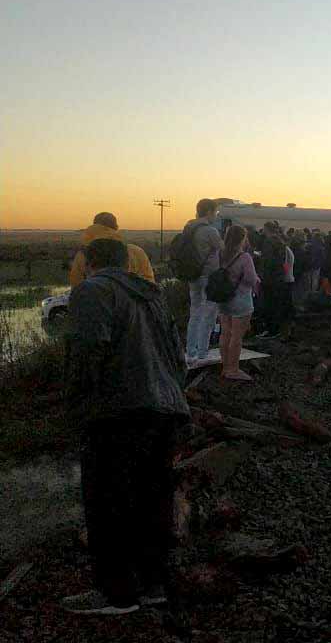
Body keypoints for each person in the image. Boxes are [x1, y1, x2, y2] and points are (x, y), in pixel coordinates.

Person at [61, 238, 189, 616]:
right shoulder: (151, 294)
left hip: (118, 414)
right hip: (163, 410)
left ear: (88, 263)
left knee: (108, 503)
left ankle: (116, 593)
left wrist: (77, 404)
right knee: (153, 500)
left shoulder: (91, 291)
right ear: (126, 262)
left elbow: (88, 352)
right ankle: (153, 585)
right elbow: (176, 356)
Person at [182, 199, 224, 364]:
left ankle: (190, 349)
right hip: (208, 277)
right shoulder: (209, 231)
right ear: (208, 212)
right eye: (215, 212)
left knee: (195, 313)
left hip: (192, 275)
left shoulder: (188, 228)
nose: (215, 215)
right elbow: (223, 249)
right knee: (209, 315)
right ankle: (202, 352)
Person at [216, 225, 260, 381]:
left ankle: (225, 366)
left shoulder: (220, 254)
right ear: (242, 239)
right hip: (241, 300)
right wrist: (257, 280)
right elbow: (251, 279)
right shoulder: (244, 257)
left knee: (225, 333)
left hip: (223, 300)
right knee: (237, 336)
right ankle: (233, 369)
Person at [68, 212, 155, 286]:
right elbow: (149, 283)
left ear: (93, 227)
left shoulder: (83, 254)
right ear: (116, 228)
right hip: (131, 303)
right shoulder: (136, 251)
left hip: (97, 303)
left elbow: (76, 285)